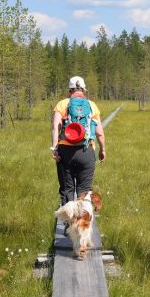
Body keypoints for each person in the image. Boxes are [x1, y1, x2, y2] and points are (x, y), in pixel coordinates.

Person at [51, 76, 106, 205]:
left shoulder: (62, 104)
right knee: (84, 192)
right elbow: (99, 133)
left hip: (65, 152)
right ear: (84, 89)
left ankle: (67, 216)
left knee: (67, 190)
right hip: (86, 151)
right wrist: (102, 150)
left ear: (70, 90)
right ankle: (83, 217)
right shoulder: (91, 105)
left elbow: (55, 127)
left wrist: (54, 148)